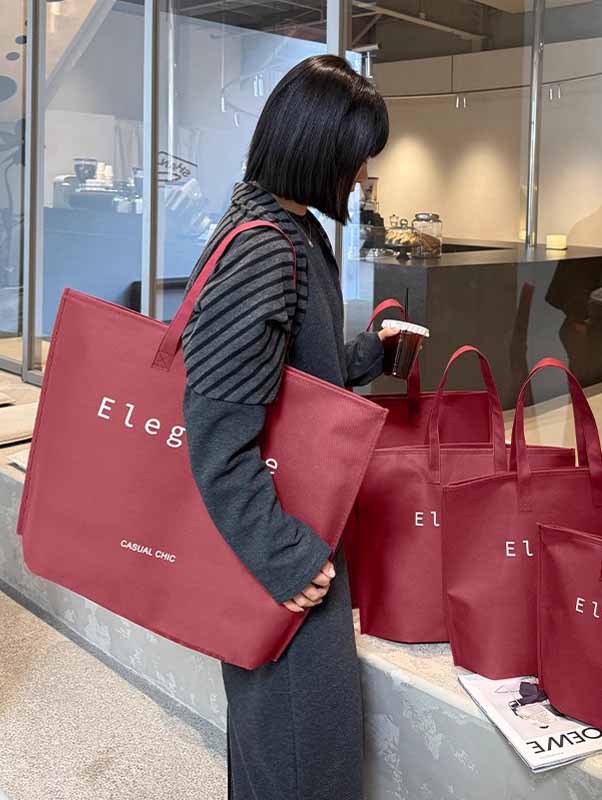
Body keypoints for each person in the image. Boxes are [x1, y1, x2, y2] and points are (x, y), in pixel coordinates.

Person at [179, 54, 396, 800]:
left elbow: (290, 376)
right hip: (281, 534)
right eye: (358, 157)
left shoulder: (288, 226)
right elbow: (216, 434)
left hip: (294, 521)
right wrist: (285, 557)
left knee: (284, 744)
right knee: (304, 753)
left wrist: (367, 353)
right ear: (317, 150)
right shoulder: (265, 250)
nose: (364, 175)